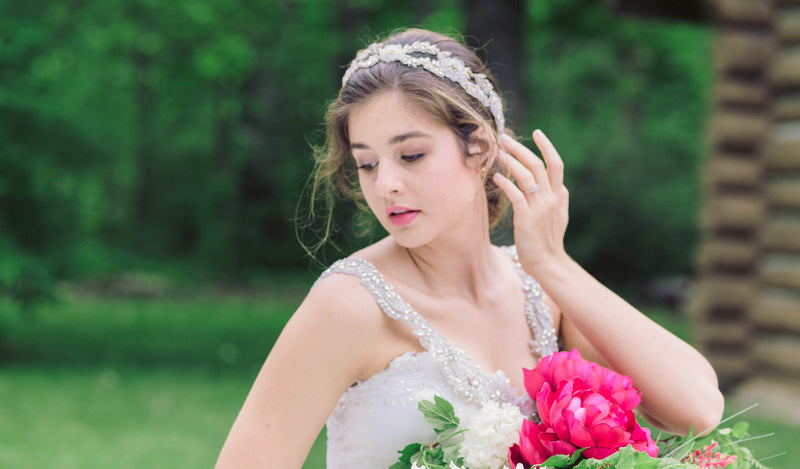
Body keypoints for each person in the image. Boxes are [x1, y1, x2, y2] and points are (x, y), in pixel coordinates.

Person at [215, 28, 724, 468]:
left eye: (411, 155)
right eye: (367, 163)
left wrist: (553, 265)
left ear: (479, 147)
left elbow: (697, 409)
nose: (385, 184)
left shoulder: (540, 294)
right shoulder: (348, 304)